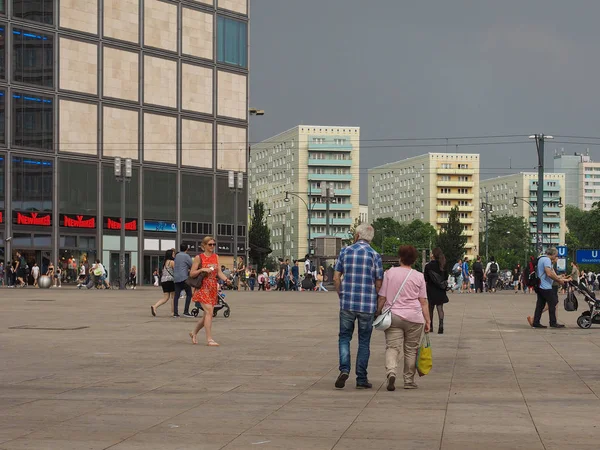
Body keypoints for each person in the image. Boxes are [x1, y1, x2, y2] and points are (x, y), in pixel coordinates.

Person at [333, 224, 383, 390]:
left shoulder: (345, 251)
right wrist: (376, 302)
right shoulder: (374, 255)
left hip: (347, 303)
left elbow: (336, 278)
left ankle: (344, 369)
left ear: (357, 235)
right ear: (370, 238)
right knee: (364, 341)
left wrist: (342, 294)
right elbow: (378, 282)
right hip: (367, 305)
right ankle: (361, 378)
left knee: (344, 337)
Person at [377, 245, 431, 391]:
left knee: (392, 347)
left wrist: (378, 311)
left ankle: (391, 372)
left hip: (393, 316)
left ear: (399, 257)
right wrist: (428, 320)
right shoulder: (419, 276)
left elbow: (382, 296)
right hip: (414, 317)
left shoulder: (389, 273)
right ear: (414, 260)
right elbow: (423, 301)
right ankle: (408, 380)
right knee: (411, 349)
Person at [189, 236, 231, 346]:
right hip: (203, 286)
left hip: (212, 287)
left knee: (207, 315)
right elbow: (192, 273)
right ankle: (209, 339)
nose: (212, 246)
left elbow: (219, 272)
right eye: (210, 244)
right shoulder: (199, 258)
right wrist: (202, 269)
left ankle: (193, 332)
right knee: (209, 312)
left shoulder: (216, 257)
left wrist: (226, 280)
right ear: (204, 246)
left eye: (214, 244)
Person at [528, 248, 570, 328]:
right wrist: (559, 280)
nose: (556, 257)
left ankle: (536, 322)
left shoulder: (541, 258)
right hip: (545, 286)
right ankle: (553, 323)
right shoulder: (547, 260)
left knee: (540, 305)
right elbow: (549, 273)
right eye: (556, 255)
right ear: (553, 254)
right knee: (553, 302)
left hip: (539, 285)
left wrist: (559, 277)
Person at [424, 248, 449, 334]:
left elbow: (425, 278)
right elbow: (446, 277)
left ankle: (430, 326)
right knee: (440, 308)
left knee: (430, 308)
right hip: (441, 289)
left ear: (433, 255)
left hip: (431, 289)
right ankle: (441, 326)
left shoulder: (428, 266)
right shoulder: (443, 264)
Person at [151, 249, 176, 317]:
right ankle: (173, 312)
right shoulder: (172, 262)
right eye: (173, 254)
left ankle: (155, 306)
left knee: (166, 297)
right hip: (170, 280)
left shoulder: (165, 262)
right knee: (173, 297)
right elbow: (176, 270)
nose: (174, 255)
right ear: (170, 254)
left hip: (163, 281)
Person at [172, 244, 194, 317]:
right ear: (187, 249)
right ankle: (186, 311)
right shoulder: (186, 256)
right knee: (189, 294)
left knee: (176, 296)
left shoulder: (177, 256)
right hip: (184, 277)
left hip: (176, 278)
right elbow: (192, 265)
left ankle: (175, 313)